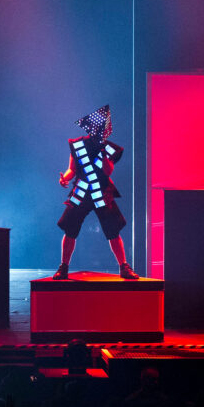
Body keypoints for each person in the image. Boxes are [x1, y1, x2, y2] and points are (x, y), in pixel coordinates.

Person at [53, 104, 138, 280]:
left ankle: (123, 266)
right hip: (81, 191)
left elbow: (108, 171)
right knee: (70, 228)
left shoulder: (109, 148)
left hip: (102, 193)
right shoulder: (77, 145)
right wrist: (65, 179)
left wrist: (103, 153)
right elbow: (72, 169)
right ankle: (63, 267)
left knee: (113, 230)